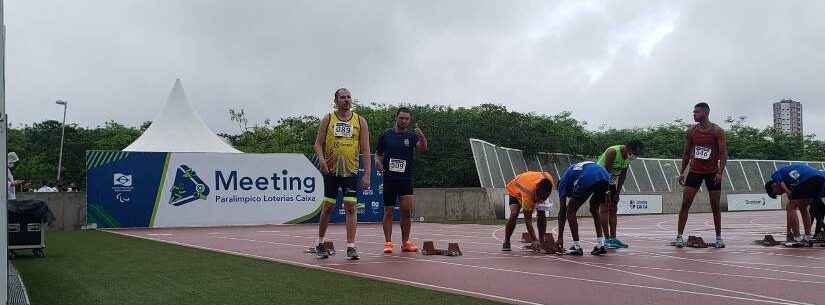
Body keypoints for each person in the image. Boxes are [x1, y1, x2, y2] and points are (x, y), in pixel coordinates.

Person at [312, 88, 371, 260]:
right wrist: (322, 161)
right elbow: (317, 144)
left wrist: (367, 173)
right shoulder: (328, 119)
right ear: (336, 101)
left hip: (350, 171)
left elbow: (366, 148)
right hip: (331, 170)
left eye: (349, 97)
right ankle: (320, 242)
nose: (346, 100)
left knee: (351, 206)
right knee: (328, 206)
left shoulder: (360, 121)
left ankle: (351, 246)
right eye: (342, 97)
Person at [674, 102, 728, 248]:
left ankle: (718, 238)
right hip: (695, 172)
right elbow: (686, 154)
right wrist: (681, 173)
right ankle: (679, 237)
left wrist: (720, 172)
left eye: (696, 112)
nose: (694, 114)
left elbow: (723, 154)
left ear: (705, 113)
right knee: (685, 203)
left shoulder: (717, 131)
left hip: (712, 173)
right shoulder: (691, 131)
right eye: (693, 112)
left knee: (715, 205)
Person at [376, 107, 428, 253]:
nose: (404, 121)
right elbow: (378, 154)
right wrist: (378, 163)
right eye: (401, 118)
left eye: (407, 119)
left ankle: (406, 242)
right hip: (389, 178)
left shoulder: (412, 136)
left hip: (405, 178)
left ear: (409, 120)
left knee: (406, 211)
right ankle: (388, 242)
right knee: (389, 211)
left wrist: (422, 137)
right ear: (396, 118)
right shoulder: (386, 135)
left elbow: (423, 149)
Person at [556, 161, 611, 256]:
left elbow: (562, 211)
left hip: (589, 177)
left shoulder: (562, 185)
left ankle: (576, 246)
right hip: (605, 175)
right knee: (594, 207)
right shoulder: (573, 174)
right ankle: (600, 244)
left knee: (570, 210)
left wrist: (560, 237)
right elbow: (589, 188)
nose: (569, 196)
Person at [596, 140, 644, 249]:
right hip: (600, 180)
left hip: (611, 182)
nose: (635, 156)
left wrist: (617, 193)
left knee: (613, 208)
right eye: (635, 154)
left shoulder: (627, 158)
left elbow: (623, 176)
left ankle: (613, 238)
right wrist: (607, 192)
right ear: (629, 149)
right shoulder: (613, 152)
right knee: (604, 208)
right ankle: (607, 239)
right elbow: (606, 172)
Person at [765, 164, 825, 247]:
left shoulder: (775, 175)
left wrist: (788, 192)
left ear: (774, 186)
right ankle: (807, 237)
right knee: (803, 207)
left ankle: (797, 239)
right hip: (820, 179)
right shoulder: (791, 181)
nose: (781, 194)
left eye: (777, 193)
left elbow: (781, 183)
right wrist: (788, 231)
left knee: (790, 207)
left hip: (808, 178)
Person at [500, 171, 556, 252]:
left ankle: (541, 240)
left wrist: (541, 242)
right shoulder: (528, 194)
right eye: (537, 199)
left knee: (541, 211)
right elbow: (528, 220)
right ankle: (506, 241)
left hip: (528, 180)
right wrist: (534, 239)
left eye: (542, 199)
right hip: (515, 189)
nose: (539, 201)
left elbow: (541, 208)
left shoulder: (548, 182)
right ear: (535, 191)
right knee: (514, 213)